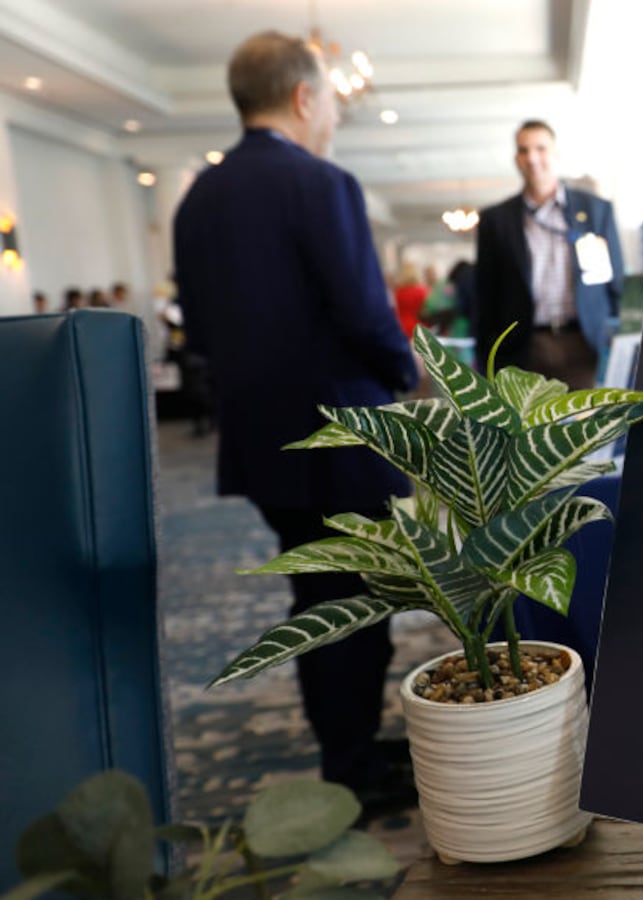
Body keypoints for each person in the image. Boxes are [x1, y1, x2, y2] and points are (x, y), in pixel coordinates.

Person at [173, 30, 418, 814]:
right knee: (359, 603)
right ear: (305, 97)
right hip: (339, 440)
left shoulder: (196, 202)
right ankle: (353, 765)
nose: (335, 121)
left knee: (317, 597)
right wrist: (403, 376)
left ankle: (347, 750)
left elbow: (202, 336)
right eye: (333, 103)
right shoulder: (322, 185)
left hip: (262, 445)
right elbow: (365, 312)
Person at [474, 120, 623, 386]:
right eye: (523, 150)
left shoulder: (596, 210)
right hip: (523, 350)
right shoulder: (496, 220)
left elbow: (615, 283)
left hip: (585, 344)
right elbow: (486, 295)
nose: (532, 158)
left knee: (585, 426)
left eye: (540, 148)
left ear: (555, 153)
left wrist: (609, 334)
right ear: (516, 159)